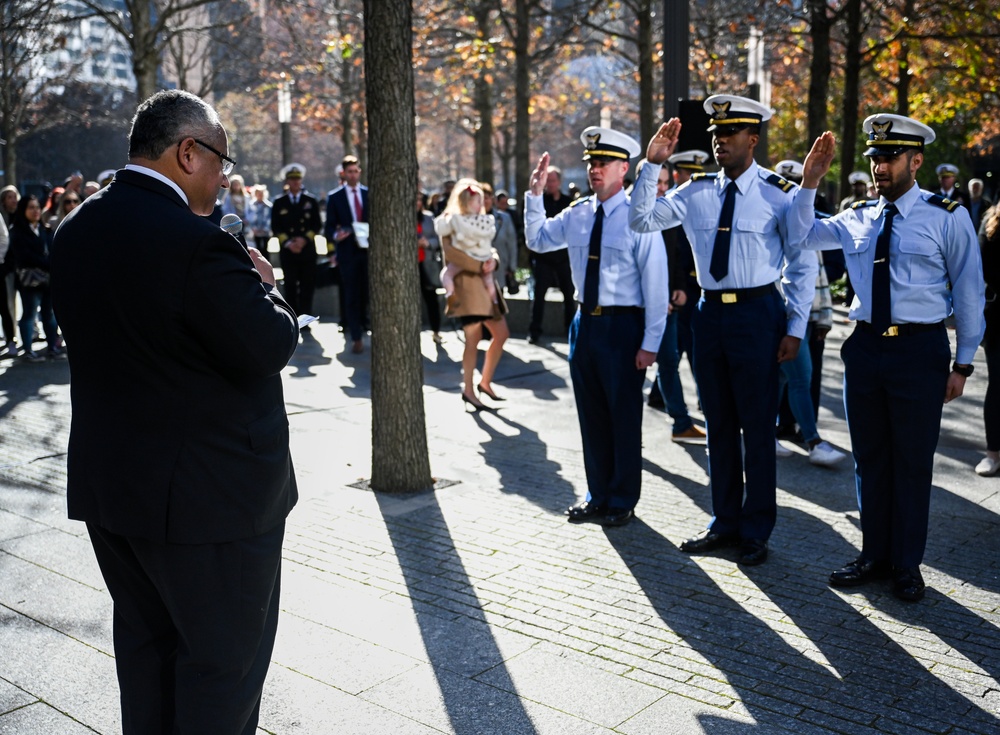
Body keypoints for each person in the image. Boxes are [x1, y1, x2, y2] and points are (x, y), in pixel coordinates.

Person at [50, 89, 299, 734]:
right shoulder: (198, 245)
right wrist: (266, 287)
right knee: (222, 669)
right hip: (211, 502)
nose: (225, 175)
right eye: (222, 159)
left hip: (117, 492)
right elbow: (269, 344)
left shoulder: (75, 232)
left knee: (145, 655)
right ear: (187, 152)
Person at [797, 114, 985, 601]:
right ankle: (874, 555)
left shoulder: (947, 215)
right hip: (865, 346)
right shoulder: (857, 215)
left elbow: (969, 291)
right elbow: (801, 236)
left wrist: (963, 363)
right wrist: (809, 182)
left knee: (912, 460)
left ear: (915, 160)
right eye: (875, 157)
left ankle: (907, 563)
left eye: (889, 156)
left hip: (919, 350)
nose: (880, 165)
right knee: (871, 459)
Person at [629, 95, 816, 565]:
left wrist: (795, 326)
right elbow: (640, 219)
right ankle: (724, 521)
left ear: (752, 139)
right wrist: (650, 166)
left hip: (758, 313)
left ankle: (756, 529)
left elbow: (801, 262)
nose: (719, 141)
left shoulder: (778, 193)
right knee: (718, 425)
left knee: (757, 427)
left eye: (729, 133)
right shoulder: (695, 192)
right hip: (710, 315)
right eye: (715, 134)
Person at [527, 127, 669, 528]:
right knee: (591, 416)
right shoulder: (578, 213)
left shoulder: (640, 217)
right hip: (583, 325)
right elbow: (537, 240)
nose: (594, 168)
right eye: (591, 162)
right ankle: (597, 494)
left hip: (623, 327)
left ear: (623, 168)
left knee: (623, 416)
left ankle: (622, 498)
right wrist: (535, 196)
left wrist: (651, 343)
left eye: (603, 162)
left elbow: (656, 287)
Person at [770, 160, 846, 467]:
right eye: (785, 182)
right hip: (784, 315)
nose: (790, 187)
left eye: (794, 182)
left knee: (781, 379)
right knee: (801, 377)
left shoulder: (805, 219)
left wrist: (824, 316)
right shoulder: (781, 221)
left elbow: (820, 278)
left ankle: (769, 435)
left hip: (802, 314)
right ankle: (813, 442)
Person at [639, 152, 707, 444]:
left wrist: (677, 287)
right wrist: (655, 298)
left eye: (665, 182)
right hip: (638, 307)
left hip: (666, 304)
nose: (662, 188)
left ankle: (680, 422)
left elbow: (674, 256)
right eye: (657, 182)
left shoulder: (665, 210)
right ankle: (627, 427)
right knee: (636, 368)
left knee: (668, 360)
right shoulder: (629, 213)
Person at [439, 185, 510, 411]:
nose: (481, 204)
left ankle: (484, 383)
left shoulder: (480, 222)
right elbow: (450, 253)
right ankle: (468, 390)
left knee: (501, 334)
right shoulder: (451, 222)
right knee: (473, 338)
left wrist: (494, 261)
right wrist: (481, 265)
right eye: (476, 200)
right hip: (466, 286)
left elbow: (490, 249)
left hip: (485, 284)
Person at [325, 155, 371, 354]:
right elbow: (328, 227)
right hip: (348, 253)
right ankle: (356, 336)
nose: (353, 175)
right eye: (349, 172)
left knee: (367, 293)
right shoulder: (335, 197)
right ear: (344, 173)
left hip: (368, 252)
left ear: (359, 172)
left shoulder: (369, 194)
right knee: (351, 293)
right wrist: (338, 234)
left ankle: (365, 324)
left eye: (356, 171)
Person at [9, 195, 62, 362]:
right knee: (29, 314)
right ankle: (28, 350)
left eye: (37, 207)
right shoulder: (17, 231)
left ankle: (52, 347)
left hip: (48, 280)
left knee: (49, 314)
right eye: (31, 207)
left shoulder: (46, 230)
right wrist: (46, 263)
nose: (36, 211)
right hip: (29, 281)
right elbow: (23, 255)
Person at [271, 162, 323, 334]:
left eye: (298, 179)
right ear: (287, 181)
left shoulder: (311, 201)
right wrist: (289, 243)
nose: (295, 182)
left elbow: (317, 225)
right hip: (288, 251)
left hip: (307, 251)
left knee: (308, 285)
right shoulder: (280, 202)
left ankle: (306, 319)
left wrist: (303, 241)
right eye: (292, 179)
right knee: (291, 286)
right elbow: (276, 226)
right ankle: (294, 320)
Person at [528, 166, 576, 344]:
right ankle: (534, 331)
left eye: (553, 180)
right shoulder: (541, 201)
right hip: (543, 259)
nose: (550, 184)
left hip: (564, 259)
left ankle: (570, 331)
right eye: (547, 181)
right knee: (538, 296)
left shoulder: (568, 202)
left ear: (559, 182)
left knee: (569, 297)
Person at [435, 180, 497, 304]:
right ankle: (494, 302)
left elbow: (440, 228)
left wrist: (444, 217)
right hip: (484, 258)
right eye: (479, 201)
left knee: (446, 275)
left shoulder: (455, 220)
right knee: (489, 282)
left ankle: (450, 294)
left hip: (466, 261)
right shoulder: (485, 220)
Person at [976, 204, 1000, 476]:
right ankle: (993, 452)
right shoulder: (991, 221)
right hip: (998, 321)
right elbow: (986, 266)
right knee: (998, 385)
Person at [482, 182, 519, 296]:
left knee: (498, 305)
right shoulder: (470, 220)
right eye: (481, 198)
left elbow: (512, 243)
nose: (484, 201)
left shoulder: (504, 218)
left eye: (487, 198)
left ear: (492, 199)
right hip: (479, 271)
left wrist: (512, 267)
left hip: (500, 268)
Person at [416, 192, 443, 342]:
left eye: (419, 200)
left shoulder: (428, 217)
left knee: (431, 300)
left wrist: (427, 243)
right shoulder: (402, 217)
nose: (417, 203)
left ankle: (436, 331)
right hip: (410, 267)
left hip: (427, 264)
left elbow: (438, 240)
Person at [248, 184, 273, 251]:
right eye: (258, 194)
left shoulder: (269, 205)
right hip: (255, 232)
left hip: (265, 231)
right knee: (257, 248)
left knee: (265, 249)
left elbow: (269, 218)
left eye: (261, 194)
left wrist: (265, 229)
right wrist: (254, 228)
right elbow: (250, 218)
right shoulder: (251, 205)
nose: (260, 195)